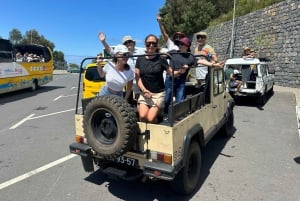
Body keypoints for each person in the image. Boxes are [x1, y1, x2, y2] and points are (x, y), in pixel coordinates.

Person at [98, 32, 145, 100]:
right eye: (126, 43)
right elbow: (109, 49)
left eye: (130, 41)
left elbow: (150, 52)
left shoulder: (141, 51)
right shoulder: (111, 63)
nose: (128, 43)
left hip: (138, 79)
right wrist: (103, 41)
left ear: (133, 43)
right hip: (127, 82)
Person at [135, 34, 170, 123]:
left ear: (156, 45)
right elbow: (138, 78)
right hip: (145, 93)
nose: (151, 45)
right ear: (145, 44)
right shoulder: (140, 59)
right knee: (142, 117)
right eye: (148, 43)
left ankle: (157, 122)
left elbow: (172, 72)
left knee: (150, 119)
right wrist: (144, 90)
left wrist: (181, 70)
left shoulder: (161, 59)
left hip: (158, 94)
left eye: (153, 43)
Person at [164, 37, 196, 114]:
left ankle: (177, 116)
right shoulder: (173, 52)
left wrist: (212, 64)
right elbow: (161, 57)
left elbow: (200, 61)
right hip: (170, 78)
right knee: (167, 99)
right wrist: (166, 68)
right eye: (179, 43)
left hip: (181, 80)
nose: (180, 45)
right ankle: (165, 114)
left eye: (182, 44)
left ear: (187, 46)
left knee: (180, 100)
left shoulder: (190, 56)